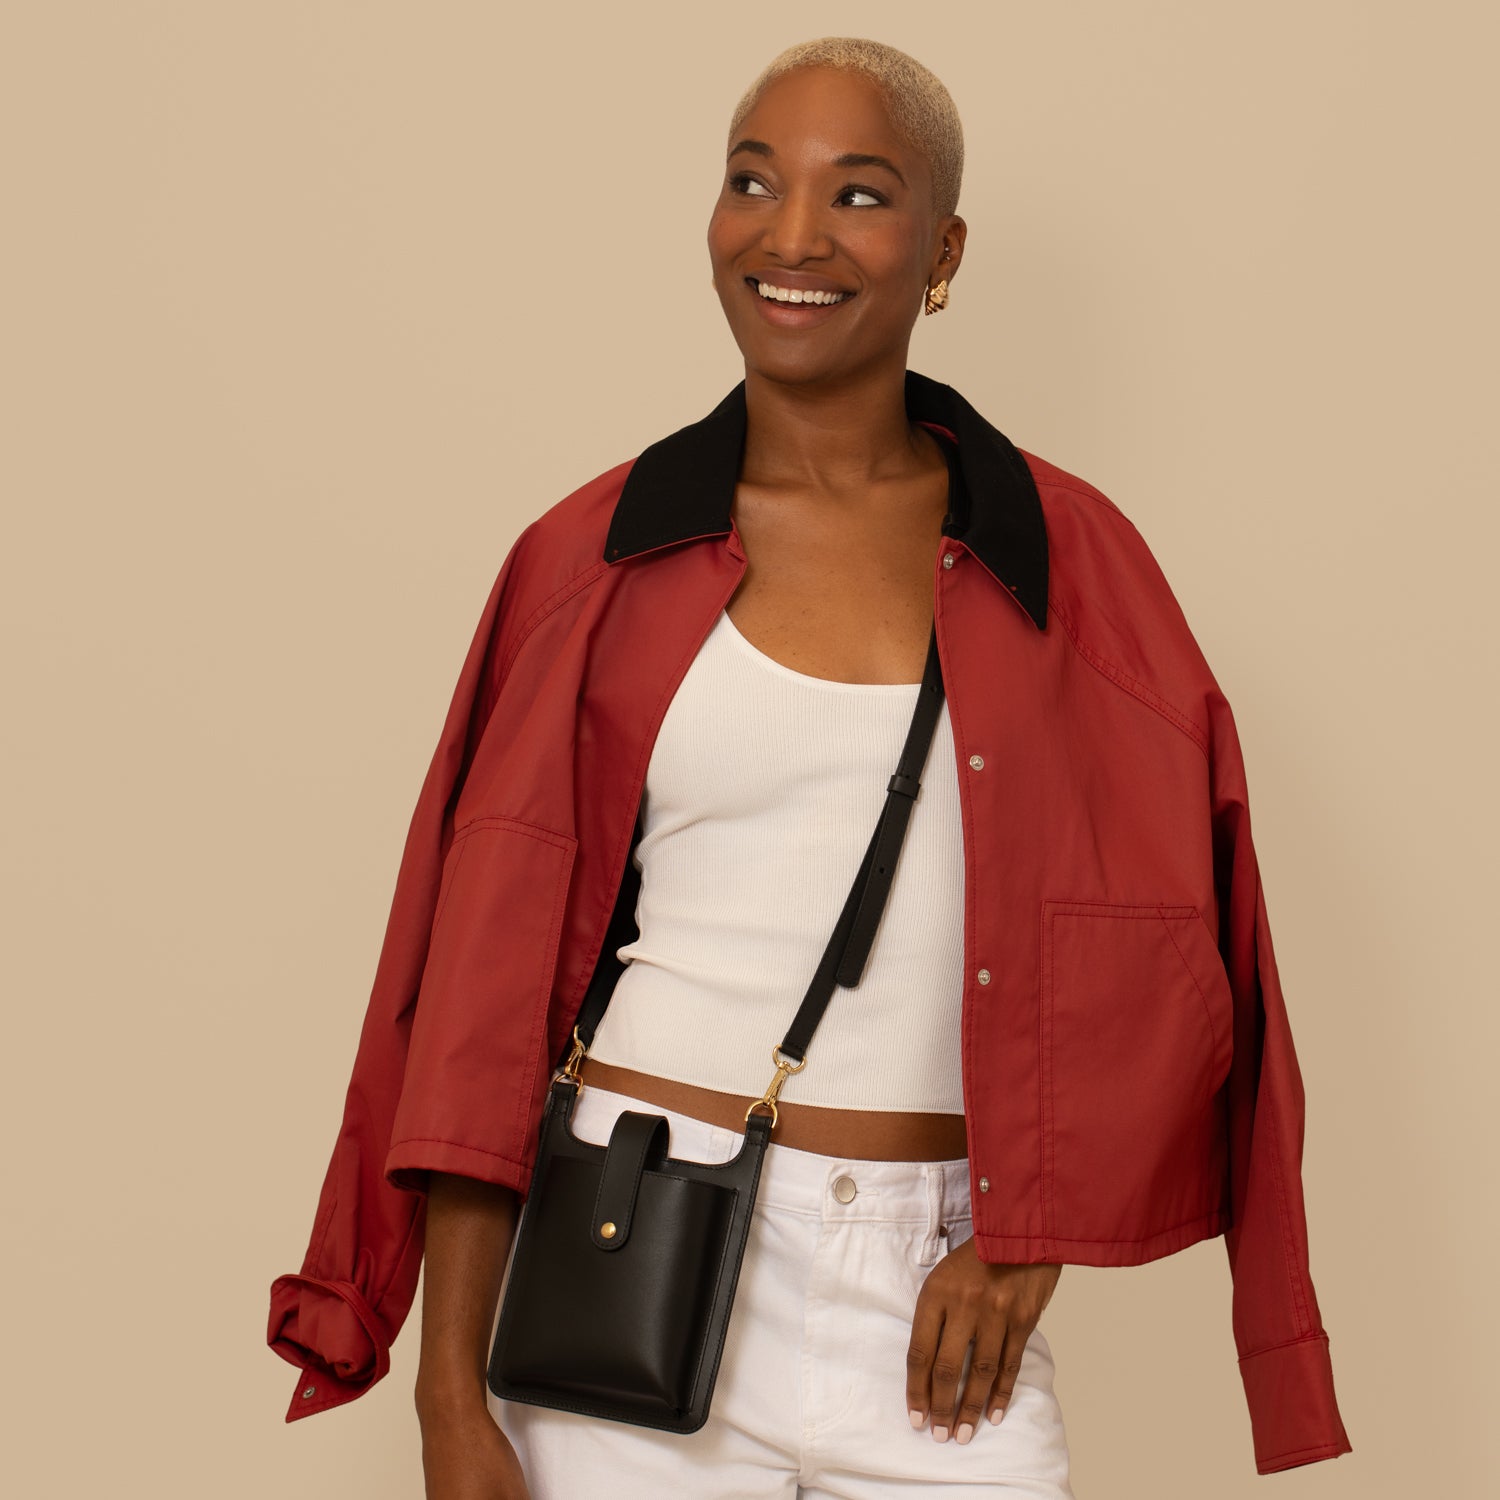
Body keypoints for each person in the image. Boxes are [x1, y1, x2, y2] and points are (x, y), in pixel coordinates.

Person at [267, 36, 1352, 1498]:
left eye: (859, 193)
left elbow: (1178, 956)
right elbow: (476, 1002)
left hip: (932, 1297)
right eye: (752, 182)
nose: (792, 235)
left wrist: (1025, 1242)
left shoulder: (1074, 567)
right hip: (627, 1243)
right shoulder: (591, 561)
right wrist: (449, 1399)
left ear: (942, 252)